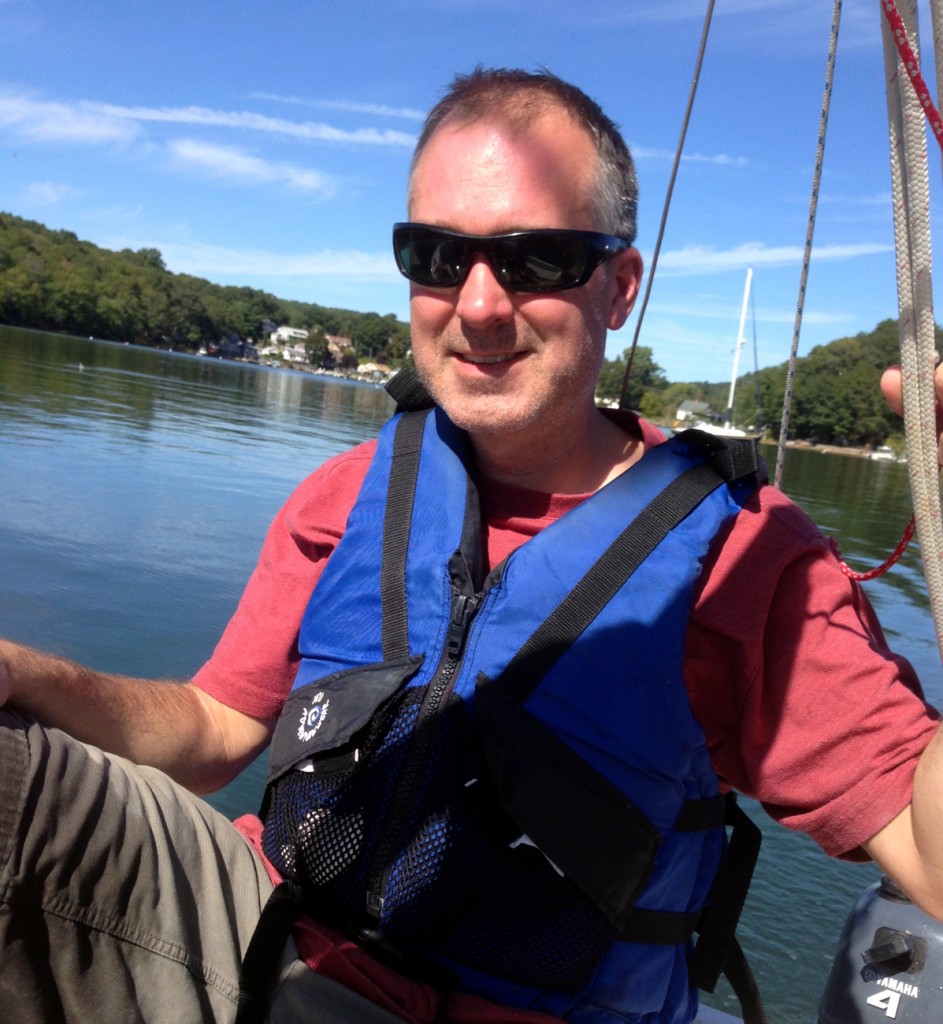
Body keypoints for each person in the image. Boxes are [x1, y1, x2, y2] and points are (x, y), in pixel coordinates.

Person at [1, 67, 942, 1024]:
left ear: (619, 288)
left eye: (537, 259)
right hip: (260, 937)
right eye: (438, 255)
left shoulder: (747, 558)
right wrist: (29, 676)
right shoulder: (353, 490)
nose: (480, 303)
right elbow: (213, 732)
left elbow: (924, 848)